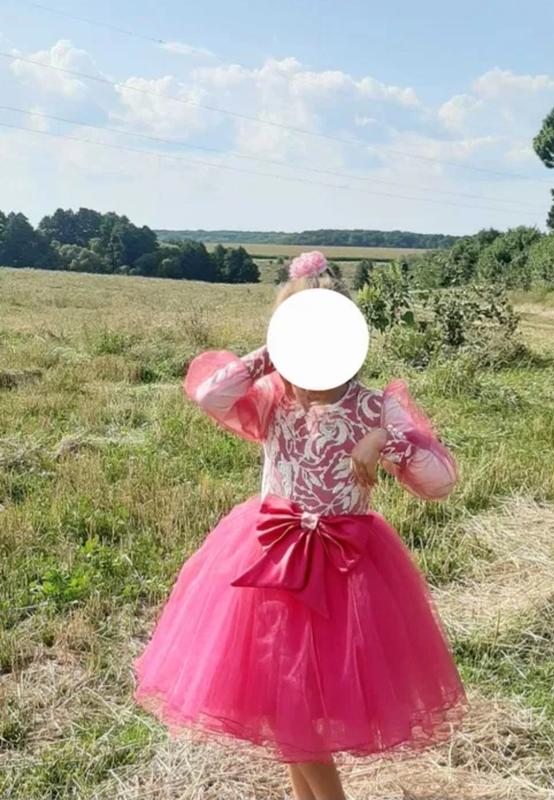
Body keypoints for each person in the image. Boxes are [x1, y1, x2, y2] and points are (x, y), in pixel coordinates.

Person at [133, 250, 469, 800]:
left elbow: (440, 481)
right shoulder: (273, 397)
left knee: (307, 711)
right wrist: (272, 356)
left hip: (345, 571)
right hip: (271, 561)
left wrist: (385, 440)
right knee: (285, 707)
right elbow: (209, 393)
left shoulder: (375, 409)